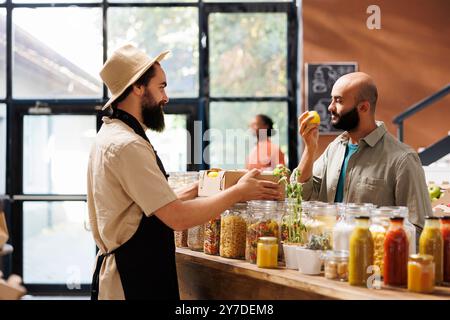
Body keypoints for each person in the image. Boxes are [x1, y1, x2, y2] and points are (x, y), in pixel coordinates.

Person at [87, 44, 283, 300]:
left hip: (135, 272)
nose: (166, 98)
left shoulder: (112, 135)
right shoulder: (128, 145)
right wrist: (238, 192)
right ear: (137, 87)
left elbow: (141, 208)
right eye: (161, 87)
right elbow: (176, 218)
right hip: (132, 280)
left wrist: (197, 189)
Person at [293, 72, 432, 235]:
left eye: (338, 100)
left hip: (370, 259)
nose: (330, 107)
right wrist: (310, 148)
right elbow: (301, 196)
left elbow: (418, 227)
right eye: (332, 99)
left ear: (364, 107)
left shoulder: (403, 159)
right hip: (327, 256)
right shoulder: (335, 149)